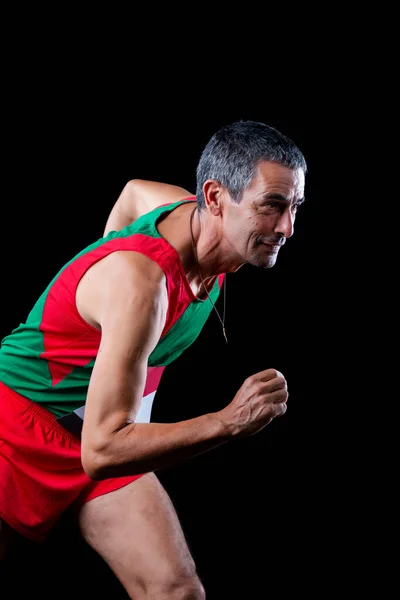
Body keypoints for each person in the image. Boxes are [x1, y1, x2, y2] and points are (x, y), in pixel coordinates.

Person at [0, 120, 307, 599]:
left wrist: (112, 330)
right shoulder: (144, 284)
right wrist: (227, 422)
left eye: (294, 207)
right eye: (272, 206)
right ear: (215, 197)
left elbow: (131, 192)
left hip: (97, 426)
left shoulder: (195, 219)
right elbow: (103, 451)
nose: (287, 227)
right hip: (16, 426)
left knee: (175, 591)